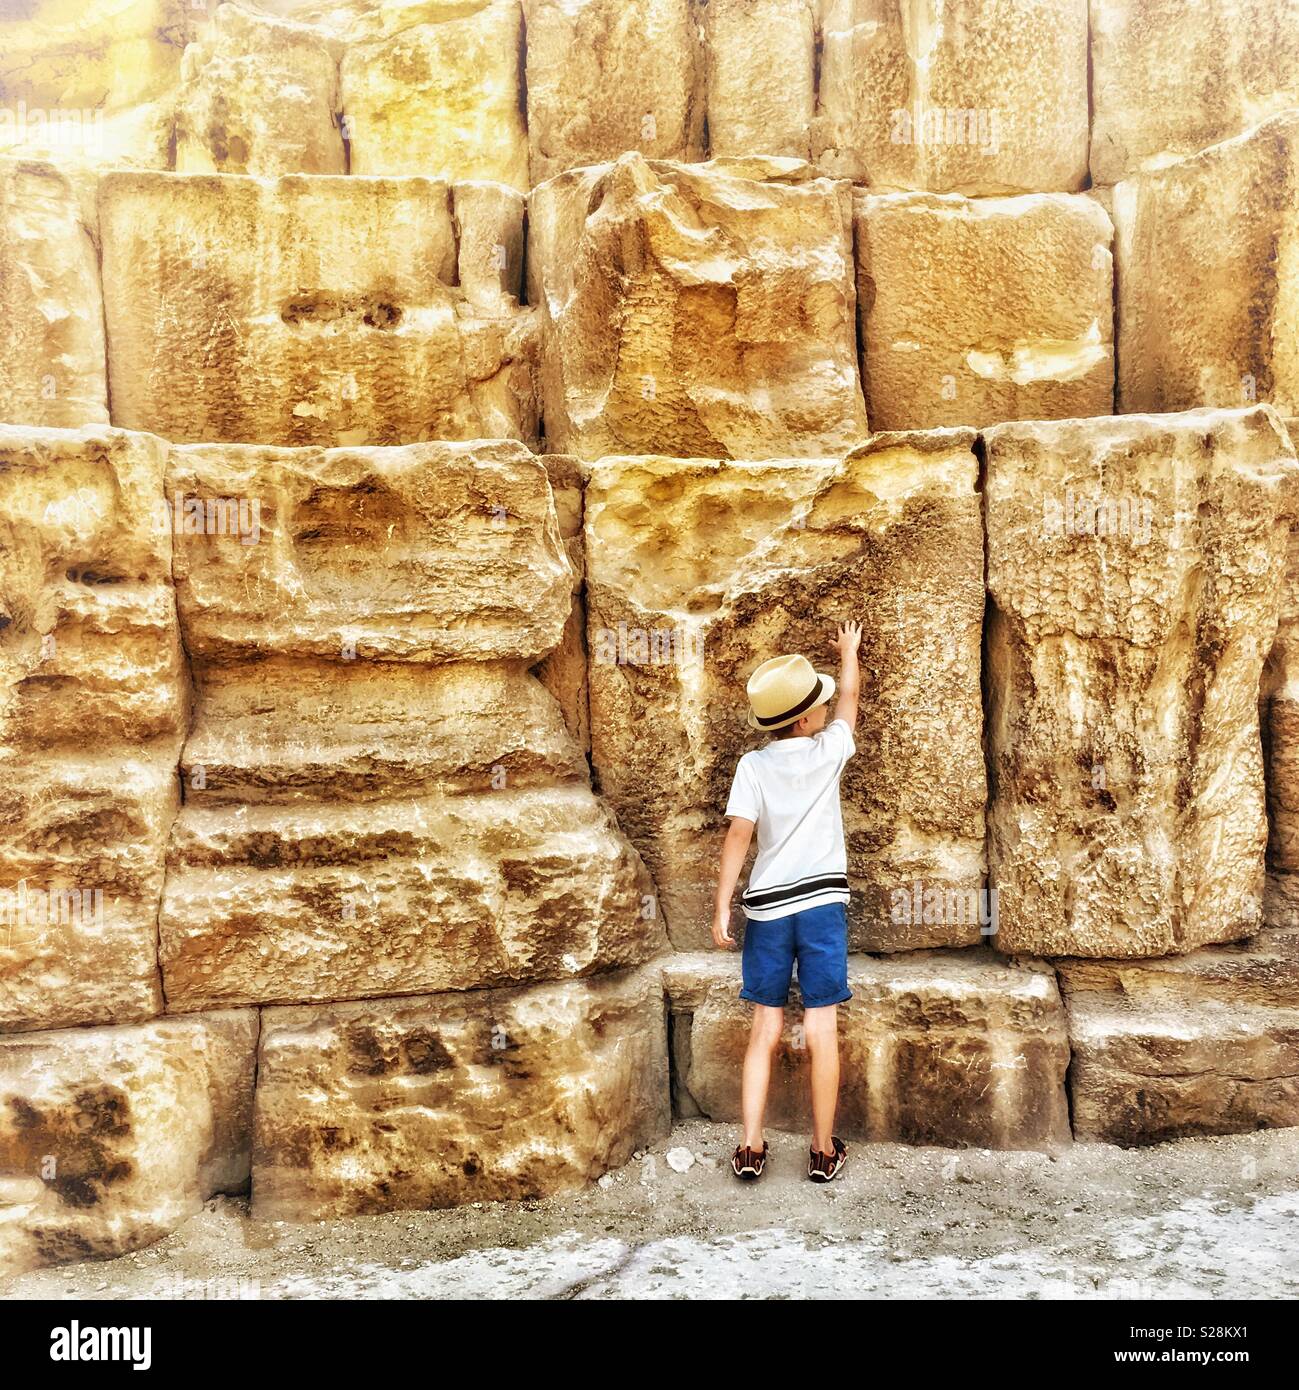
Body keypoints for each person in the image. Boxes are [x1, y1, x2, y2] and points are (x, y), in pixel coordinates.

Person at [712, 621, 862, 1183]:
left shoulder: (753, 766)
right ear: (805, 718)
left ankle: (751, 1145)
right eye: (816, 705)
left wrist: (723, 903)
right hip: (822, 908)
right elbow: (849, 697)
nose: (825, 709)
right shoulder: (830, 752)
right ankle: (823, 1150)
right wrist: (848, 653)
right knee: (821, 1028)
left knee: (765, 1026)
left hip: (767, 910)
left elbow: (738, 835)